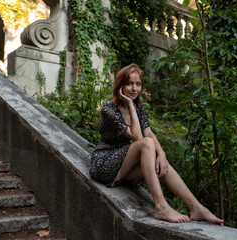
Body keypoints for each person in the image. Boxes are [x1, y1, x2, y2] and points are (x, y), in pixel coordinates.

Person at [90, 63, 224, 225]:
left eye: (138, 84)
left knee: (160, 160)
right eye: (129, 83)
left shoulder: (140, 108)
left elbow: (148, 132)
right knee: (146, 144)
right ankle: (161, 207)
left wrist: (162, 154)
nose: (134, 89)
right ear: (120, 85)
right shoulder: (109, 110)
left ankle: (196, 207)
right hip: (105, 165)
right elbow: (139, 138)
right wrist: (131, 106)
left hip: (126, 166)